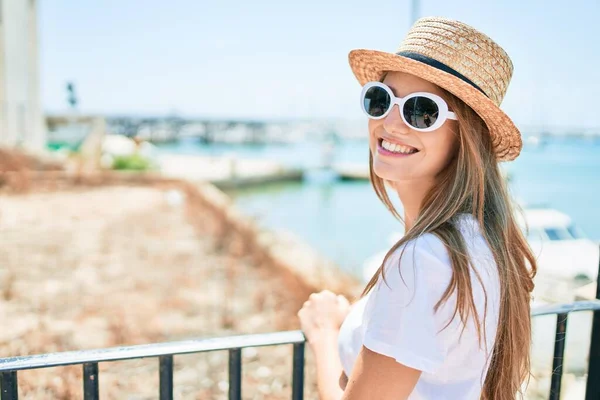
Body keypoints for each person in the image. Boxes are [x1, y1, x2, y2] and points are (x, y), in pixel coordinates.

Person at [297, 16, 537, 400]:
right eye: (380, 100)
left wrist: (325, 335)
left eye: (421, 111)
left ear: (465, 137)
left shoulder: (421, 261)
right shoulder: (483, 243)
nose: (390, 123)